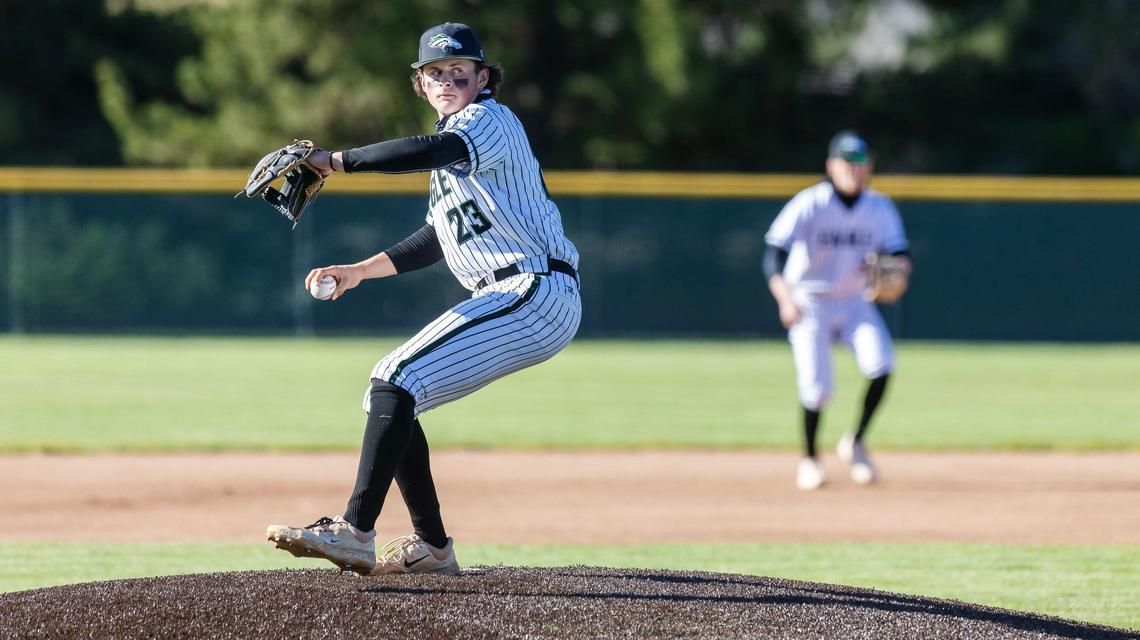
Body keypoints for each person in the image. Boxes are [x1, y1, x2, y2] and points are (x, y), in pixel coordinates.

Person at [266, 22, 581, 575]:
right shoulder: (454, 165)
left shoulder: (489, 120)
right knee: (390, 395)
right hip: (514, 293)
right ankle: (432, 549)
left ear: (483, 78)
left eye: (459, 72)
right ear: (420, 84)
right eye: (434, 73)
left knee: (396, 378)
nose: (446, 80)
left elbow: (428, 148)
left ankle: (355, 532)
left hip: (533, 287)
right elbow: (436, 238)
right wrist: (359, 271)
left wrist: (336, 161)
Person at [763, 131, 910, 490]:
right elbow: (773, 254)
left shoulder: (879, 207)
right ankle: (811, 460)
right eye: (847, 163)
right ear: (831, 165)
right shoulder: (810, 203)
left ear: (870, 167)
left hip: (855, 301)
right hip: (809, 300)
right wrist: (784, 297)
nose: (854, 170)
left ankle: (855, 442)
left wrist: (901, 274)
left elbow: (900, 253)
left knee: (882, 364)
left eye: (861, 163)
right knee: (817, 389)